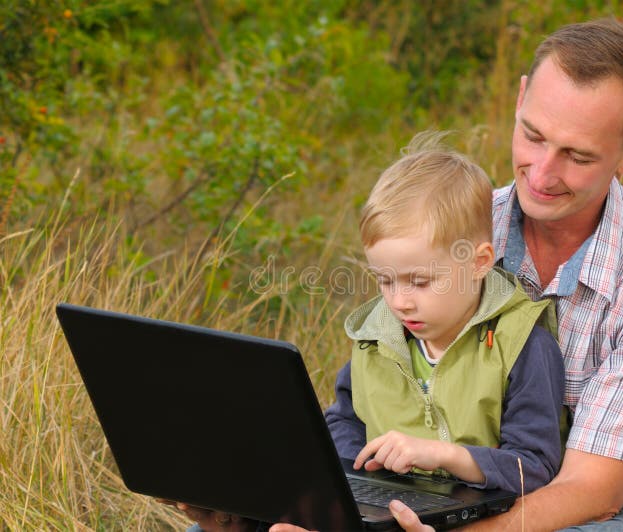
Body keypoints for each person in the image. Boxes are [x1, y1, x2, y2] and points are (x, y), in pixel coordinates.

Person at [180, 15, 623, 531]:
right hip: (449, 493)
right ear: (519, 99)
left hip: (618, 514)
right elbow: (364, 404)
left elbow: (594, 491)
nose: (542, 174)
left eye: (578, 156)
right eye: (533, 135)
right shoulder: (452, 226)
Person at [173, 134, 565, 531]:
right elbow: (344, 422)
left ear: (479, 263)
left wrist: (445, 455)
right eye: (385, 281)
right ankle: (236, 517)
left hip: (465, 517)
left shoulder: (522, 344)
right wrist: (357, 479)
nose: (400, 302)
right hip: (383, 506)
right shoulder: (377, 339)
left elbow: (533, 467)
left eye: (420, 282)